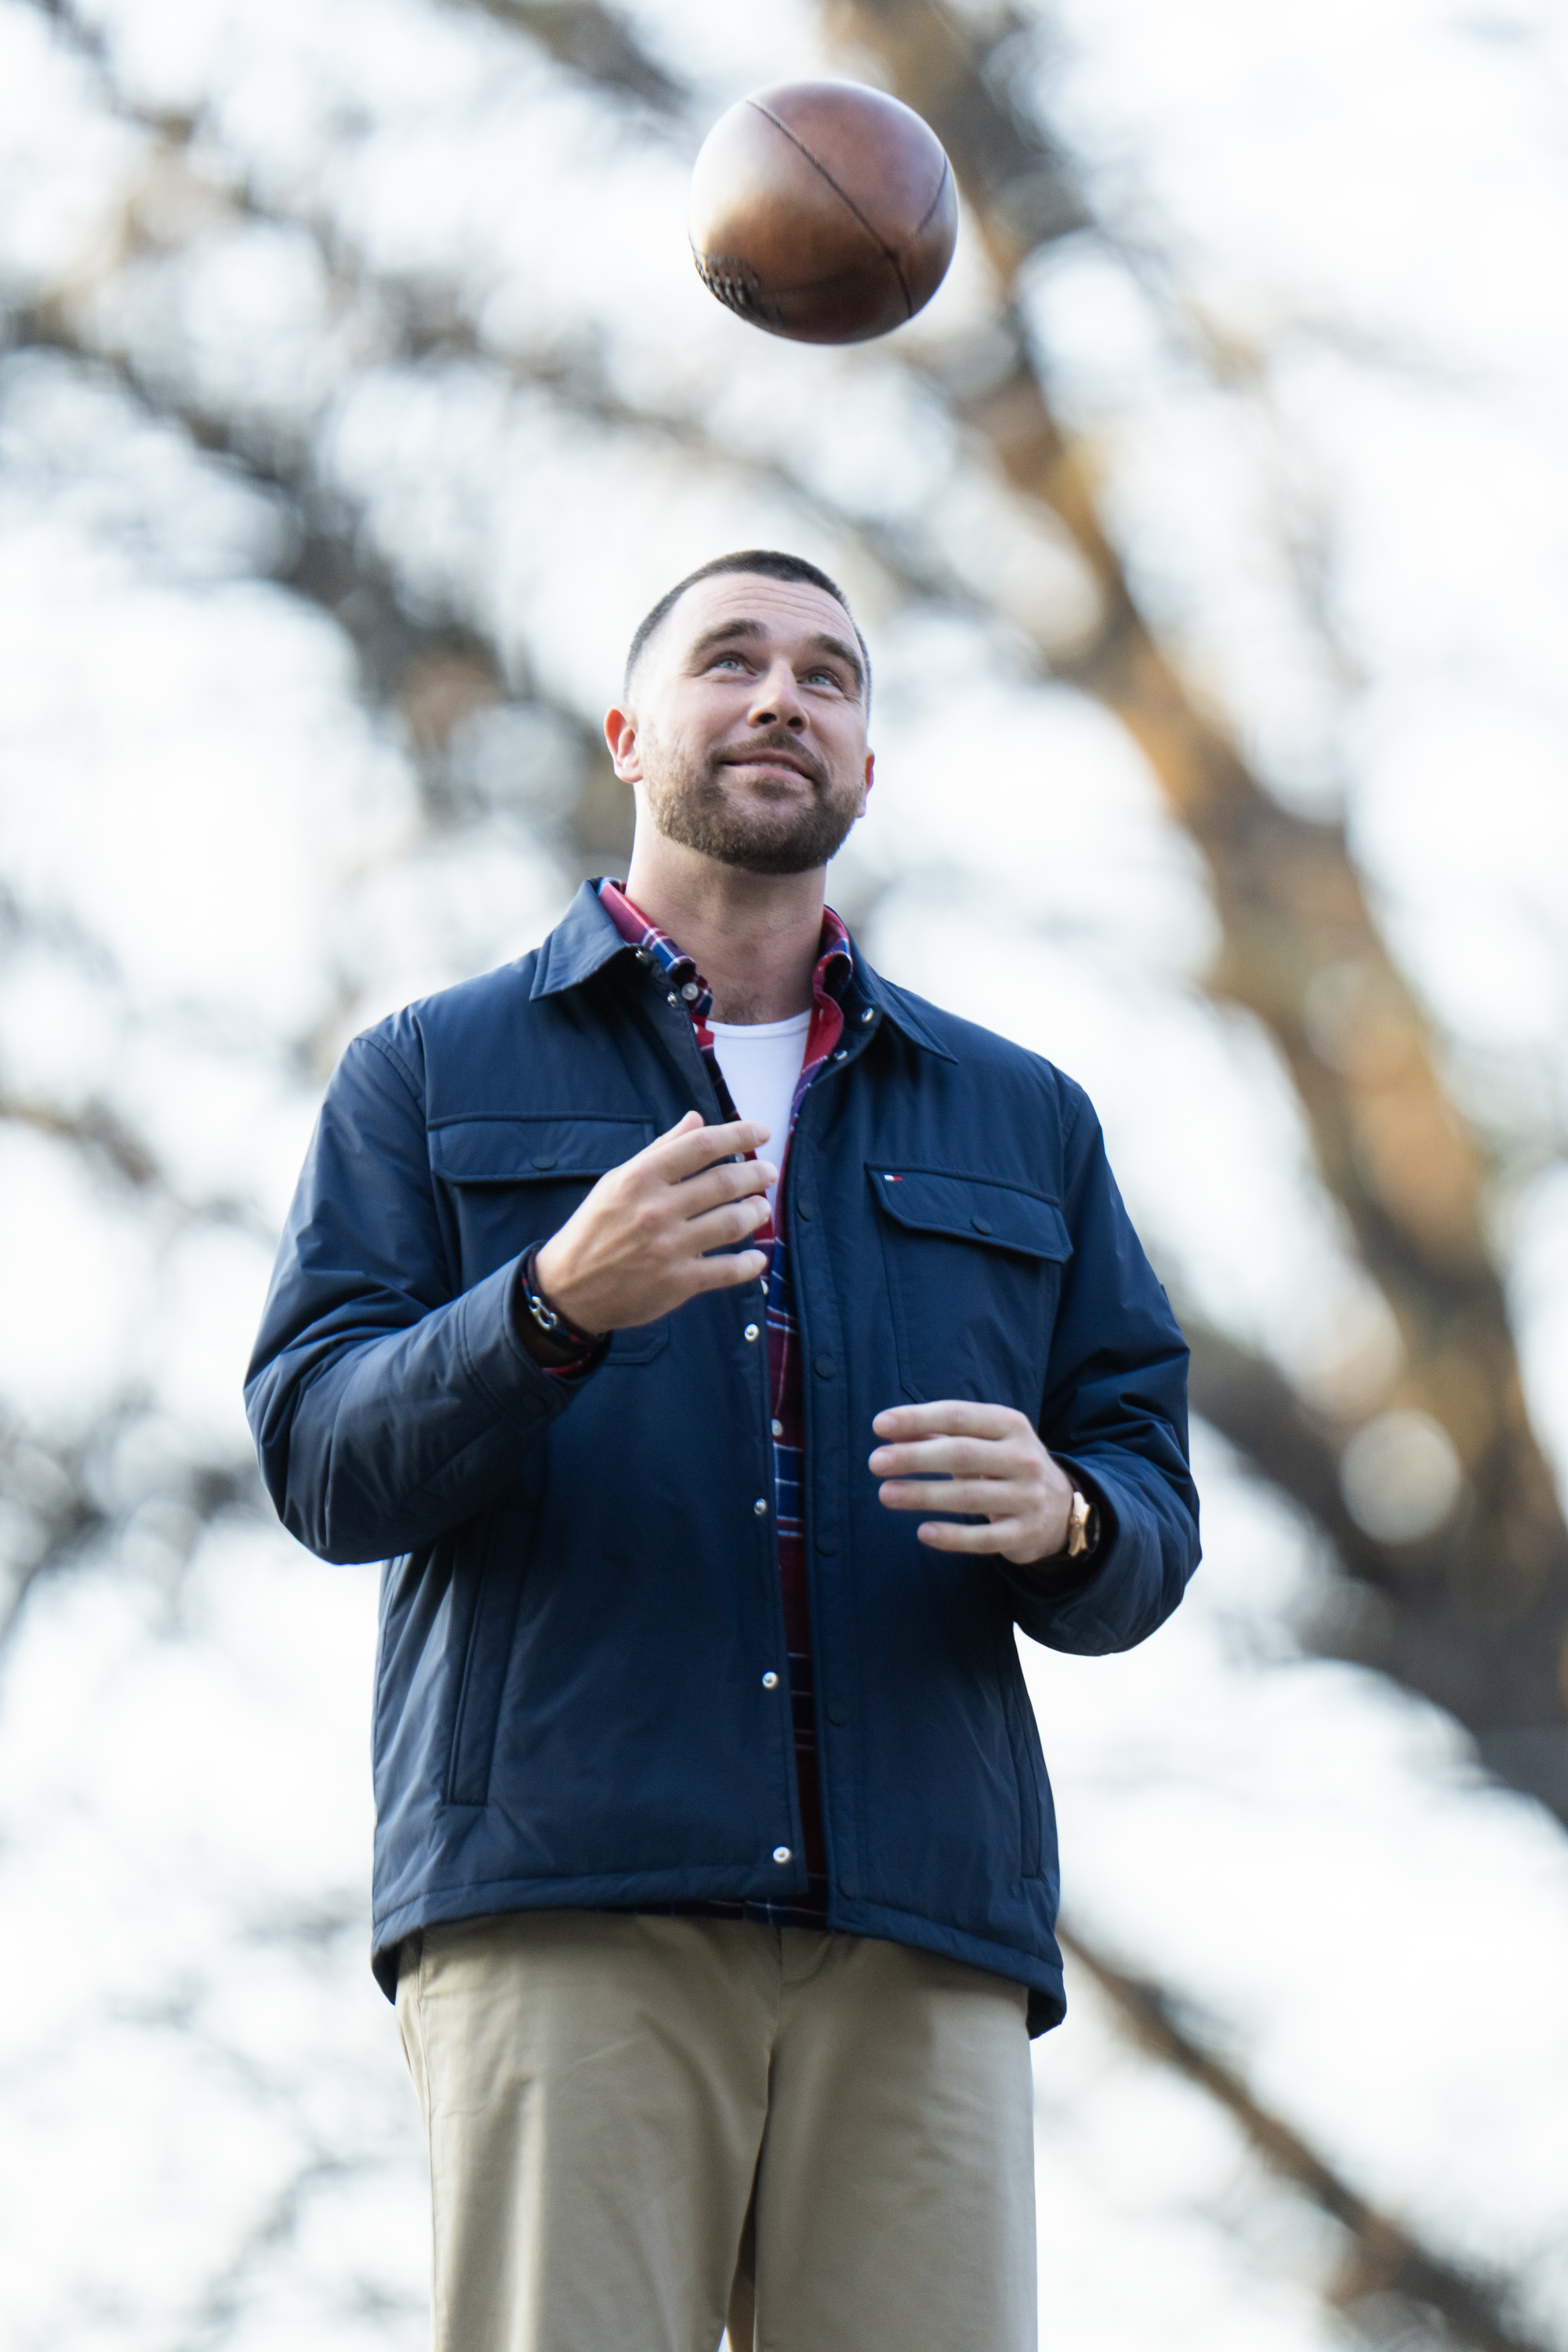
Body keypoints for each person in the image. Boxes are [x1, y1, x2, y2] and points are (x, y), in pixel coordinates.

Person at [245, 548, 1200, 2352]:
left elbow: (1146, 1501)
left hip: (922, 1928)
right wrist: (546, 1306)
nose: (783, 697)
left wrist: (1071, 1516)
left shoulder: (1024, 1114)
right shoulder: (428, 1074)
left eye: (830, 675)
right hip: (568, 1906)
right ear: (628, 730)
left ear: (866, 760)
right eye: (729, 661)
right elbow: (318, 1459)